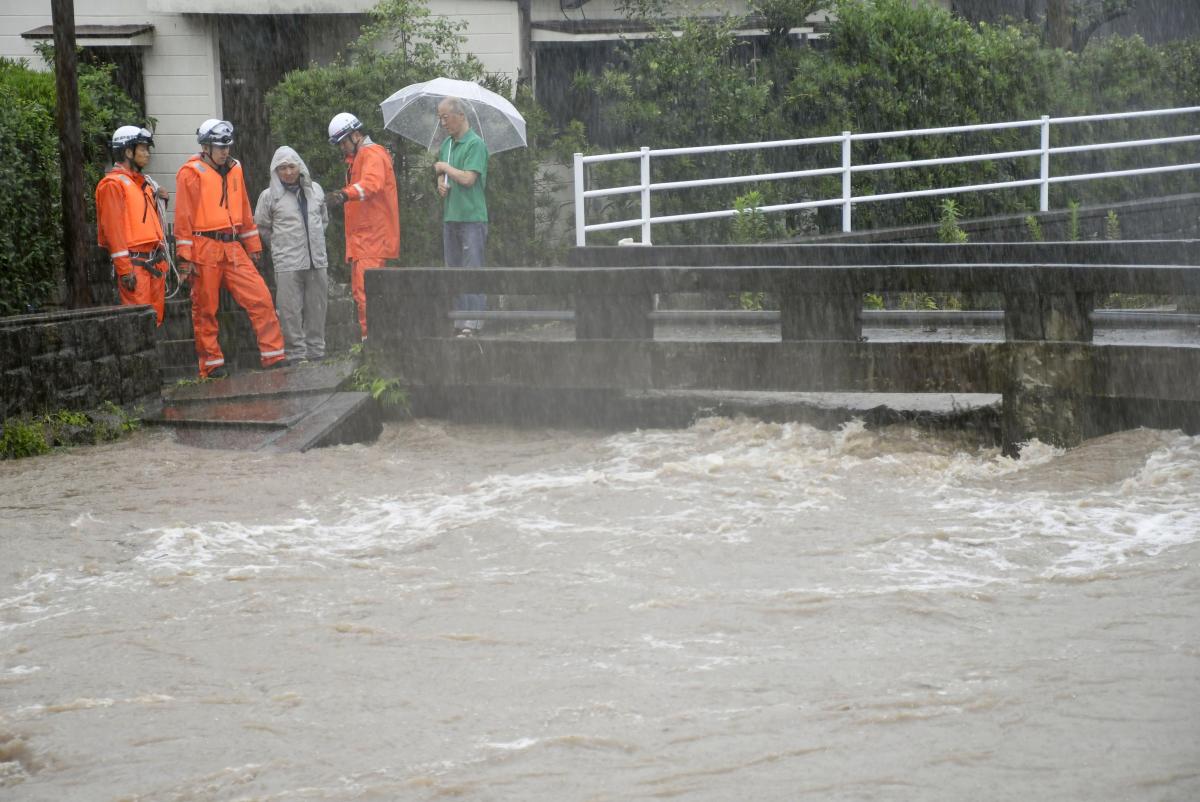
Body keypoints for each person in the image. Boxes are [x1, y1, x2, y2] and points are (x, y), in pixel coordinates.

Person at [174, 119, 286, 379]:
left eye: (227, 146)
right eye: (219, 147)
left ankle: (273, 356)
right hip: (204, 247)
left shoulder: (235, 169)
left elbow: (244, 209)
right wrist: (184, 259)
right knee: (205, 309)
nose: (225, 151)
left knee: (261, 298)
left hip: (234, 248)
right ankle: (211, 364)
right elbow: (183, 219)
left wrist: (253, 245)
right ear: (205, 146)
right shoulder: (190, 173)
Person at [325, 112, 399, 340]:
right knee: (364, 293)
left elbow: (372, 184)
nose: (342, 148)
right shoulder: (363, 157)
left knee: (367, 293)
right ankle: (373, 342)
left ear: (355, 135)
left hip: (372, 238)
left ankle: (374, 344)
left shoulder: (371, 154)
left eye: (342, 143)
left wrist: (343, 194)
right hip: (366, 240)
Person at [255, 146, 329, 363]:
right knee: (289, 311)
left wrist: (313, 242)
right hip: (287, 261)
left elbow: (323, 220)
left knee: (317, 307)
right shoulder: (268, 196)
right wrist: (280, 245)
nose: (287, 172)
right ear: (275, 171)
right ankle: (296, 353)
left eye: (291, 166)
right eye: (282, 168)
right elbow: (262, 226)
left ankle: (316, 351)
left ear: (300, 166)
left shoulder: (315, 190)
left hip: (317, 260)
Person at [95, 126, 168, 326]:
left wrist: (162, 201)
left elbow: (145, 222)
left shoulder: (142, 184)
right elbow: (113, 231)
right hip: (135, 267)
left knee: (154, 323)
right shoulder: (113, 185)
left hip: (152, 265)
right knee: (139, 325)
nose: (147, 154)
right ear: (128, 152)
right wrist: (125, 270)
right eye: (143, 149)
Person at [433, 97, 489, 338]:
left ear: (461, 116)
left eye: (446, 117)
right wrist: (440, 183)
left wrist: (445, 169)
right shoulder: (447, 144)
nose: (443, 123)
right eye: (440, 118)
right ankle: (458, 320)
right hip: (451, 216)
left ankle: (473, 323)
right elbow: (447, 178)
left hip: (472, 217)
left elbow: (468, 179)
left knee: (471, 269)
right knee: (453, 270)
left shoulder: (475, 144)